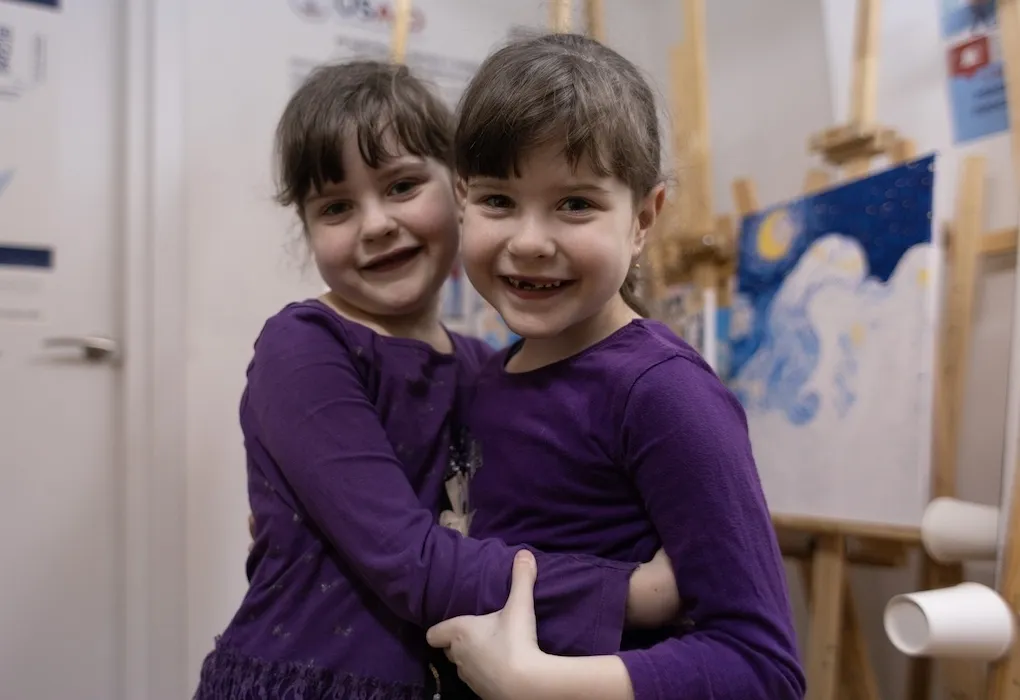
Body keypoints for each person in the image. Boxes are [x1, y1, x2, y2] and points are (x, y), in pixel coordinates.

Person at [194, 60, 681, 700]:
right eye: (336, 206)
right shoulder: (305, 347)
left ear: (459, 191)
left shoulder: (489, 365)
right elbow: (410, 560)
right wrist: (630, 594)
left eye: (400, 187)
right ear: (308, 230)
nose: (375, 224)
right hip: (311, 681)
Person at [425, 33, 806, 700]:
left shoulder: (665, 393)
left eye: (575, 204)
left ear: (643, 218)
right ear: (462, 199)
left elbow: (763, 668)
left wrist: (536, 682)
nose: (530, 241)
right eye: (497, 201)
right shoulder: (483, 379)